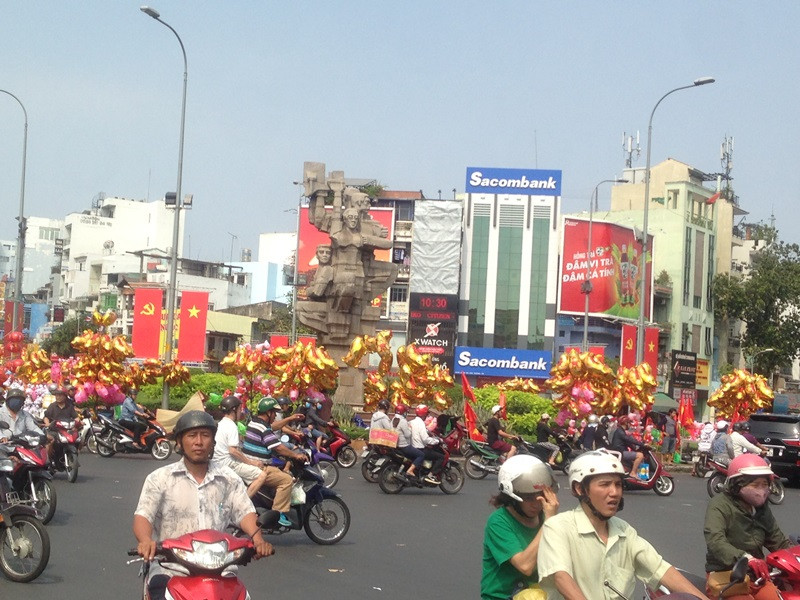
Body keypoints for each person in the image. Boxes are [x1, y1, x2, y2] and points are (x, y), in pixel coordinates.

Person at [133, 410, 273, 600]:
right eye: (192, 435)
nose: (199, 442)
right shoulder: (159, 478)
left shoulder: (229, 478)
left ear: (213, 442)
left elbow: (245, 512)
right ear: (180, 442)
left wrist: (258, 541)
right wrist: (145, 541)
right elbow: (144, 515)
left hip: (221, 570)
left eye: (205, 435)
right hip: (171, 568)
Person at [537, 451, 708, 600]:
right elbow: (562, 578)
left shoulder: (624, 531)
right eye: (604, 484)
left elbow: (660, 569)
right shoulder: (558, 527)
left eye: (618, 484)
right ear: (580, 489)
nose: (615, 492)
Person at [704, 454, 791, 597]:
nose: (761, 490)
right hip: (728, 575)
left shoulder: (762, 509)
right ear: (738, 485)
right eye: (755, 485)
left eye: (764, 484)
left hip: (757, 575)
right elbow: (715, 541)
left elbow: (777, 540)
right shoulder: (720, 505)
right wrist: (746, 558)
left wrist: (793, 555)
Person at [481, 455, 560, 600]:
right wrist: (549, 522)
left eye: (541, 495)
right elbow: (525, 566)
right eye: (529, 498)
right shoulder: (499, 521)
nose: (537, 503)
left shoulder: (545, 515)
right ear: (512, 497)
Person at [242, 397, 308, 527]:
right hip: (260, 467)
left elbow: (274, 426)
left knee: (281, 469)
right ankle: (277, 514)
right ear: (268, 413)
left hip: (250, 464)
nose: (275, 416)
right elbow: (278, 447)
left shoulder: (254, 423)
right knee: (286, 480)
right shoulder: (263, 428)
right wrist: (295, 455)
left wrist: (290, 419)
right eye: (274, 413)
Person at [212, 396, 269, 498]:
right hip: (229, 464)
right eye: (239, 409)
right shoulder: (232, 426)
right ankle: (243, 502)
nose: (241, 412)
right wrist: (252, 462)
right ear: (234, 410)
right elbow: (233, 451)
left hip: (219, 463)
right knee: (261, 475)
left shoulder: (221, 424)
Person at [409, 404, 444, 484]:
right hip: (420, 448)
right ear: (424, 414)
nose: (427, 416)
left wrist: (431, 435)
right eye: (427, 414)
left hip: (412, 448)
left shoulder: (412, 422)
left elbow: (425, 432)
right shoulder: (421, 423)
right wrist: (437, 441)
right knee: (441, 457)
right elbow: (425, 439)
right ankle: (430, 475)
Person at [392, 403, 424, 480]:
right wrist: (410, 429)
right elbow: (407, 435)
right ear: (403, 412)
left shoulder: (393, 419)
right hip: (404, 446)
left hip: (396, 446)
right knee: (421, 455)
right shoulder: (403, 421)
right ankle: (410, 470)